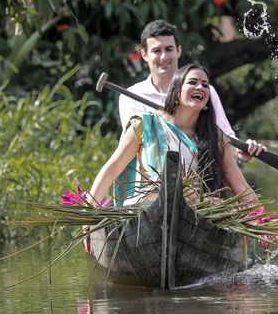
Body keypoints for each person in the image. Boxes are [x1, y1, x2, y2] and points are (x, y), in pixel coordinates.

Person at [90, 64, 266, 207]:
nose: (200, 87)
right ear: (177, 91)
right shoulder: (145, 124)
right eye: (193, 82)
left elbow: (241, 187)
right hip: (146, 210)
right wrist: (89, 208)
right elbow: (113, 168)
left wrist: (262, 224)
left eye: (205, 85)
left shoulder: (216, 138)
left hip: (198, 214)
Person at [119, 19, 252, 161]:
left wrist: (241, 151)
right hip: (151, 179)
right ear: (144, 54)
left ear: (179, 50)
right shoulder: (131, 97)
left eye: (169, 49)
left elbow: (226, 138)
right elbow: (135, 147)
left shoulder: (204, 91)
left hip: (200, 177)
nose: (163, 57)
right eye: (156, 50)